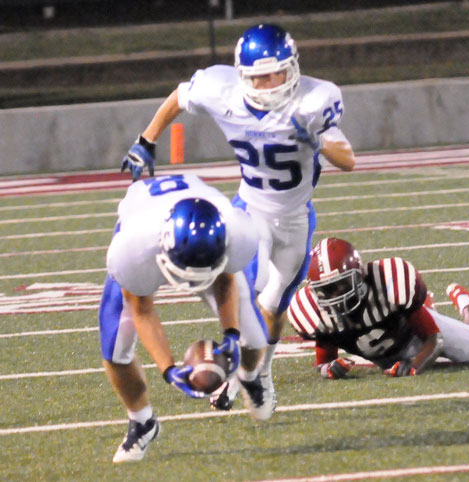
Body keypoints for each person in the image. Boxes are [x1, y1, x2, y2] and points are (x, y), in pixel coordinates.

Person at [120, 24, 356, 409]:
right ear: (243, 76)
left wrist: (317, 139)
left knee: (277, 305)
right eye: (259, 77)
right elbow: (180, 96)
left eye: (276, 74)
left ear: (292, 68)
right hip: (251, 209)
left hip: (296, 218)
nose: (268, 84)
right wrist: (146, 140)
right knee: (249, 297)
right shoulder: (221, 88)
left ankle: (260, 373)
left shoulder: (315, 99)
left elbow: (348, 160)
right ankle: (239, 378)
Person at [99, 173, 274, 464]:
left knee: (254, 339)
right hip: (149, 232)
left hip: (201, 234)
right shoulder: (133, 249)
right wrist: (168, 369)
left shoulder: (235, 230)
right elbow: (142, 310)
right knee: (115, 349)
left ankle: (250, 377)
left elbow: (226, 280)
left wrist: (231, 332)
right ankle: (142, 421)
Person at [287, 238, 469, 379]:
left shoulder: (389, 283)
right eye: (327, 289)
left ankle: (465, 300)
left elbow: (434, 338)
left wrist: (414, 365)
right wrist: (330, 369)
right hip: (391, 351)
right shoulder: (312, 313)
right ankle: (426, 305)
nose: (336, 295)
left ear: (360, 276)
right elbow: (324, 362)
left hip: (420, 335)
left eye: (342, 284)